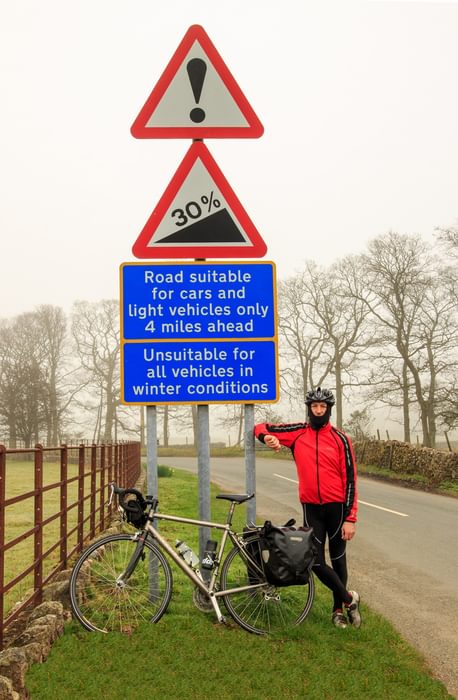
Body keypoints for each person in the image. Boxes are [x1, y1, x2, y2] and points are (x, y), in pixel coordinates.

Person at [254, 387, 361, 629]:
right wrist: (266, 438)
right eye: (315, 406)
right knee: (313, 559)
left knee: (339, 560)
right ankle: (349, 599)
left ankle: (337, 612)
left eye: (323, 407)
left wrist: (350, 518)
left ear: (329, 409)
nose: (319, 410)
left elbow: (351, 479)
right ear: (309, 408)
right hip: (311, 506)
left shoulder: (341, 439)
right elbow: (261, 427)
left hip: (337, 508)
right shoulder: (297, 432)